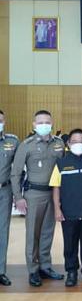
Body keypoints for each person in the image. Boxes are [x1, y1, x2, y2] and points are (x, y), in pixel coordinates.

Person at [11, 110, 65, 286]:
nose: (44, 125)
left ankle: (45, 266)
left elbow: (64, 170)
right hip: (33, 194)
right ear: (34, 125)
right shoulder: (26, 145)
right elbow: (15, 173)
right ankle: (33, 270)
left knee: (47, 232)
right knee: (33, 233)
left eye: (47, 122)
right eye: (40, 122)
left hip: (53, 193)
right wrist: (18, 197)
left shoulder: (59, 143)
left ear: (52, 123)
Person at [50, 129, 82, 287]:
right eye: (74, 141)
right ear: (68, 143)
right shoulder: (61, 163)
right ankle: (71, 271)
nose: (78, 144)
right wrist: (57, 209)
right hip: (69, 211)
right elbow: (56, 187)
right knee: (70, 243)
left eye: (81, 141)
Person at [0, 110, 18, 286]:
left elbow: (18, 168)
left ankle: (0, 271)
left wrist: (17, 193)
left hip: (4, 191)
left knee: (2, 231)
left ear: (4, 121)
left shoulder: (12, 141)